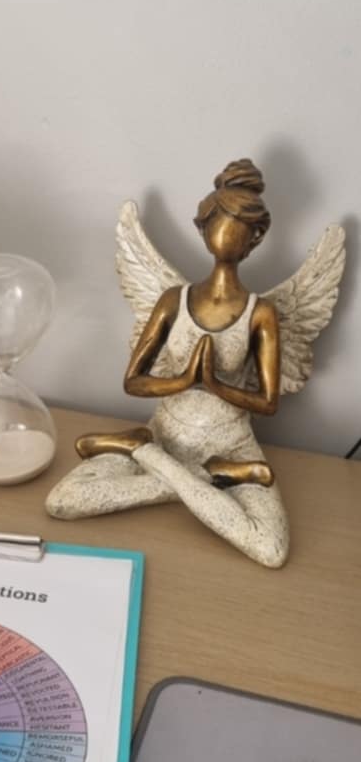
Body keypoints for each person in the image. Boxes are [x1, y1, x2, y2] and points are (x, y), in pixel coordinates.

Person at [46, 160, 290, 568]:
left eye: (240, 224)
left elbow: (267, 402)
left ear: (256, 236)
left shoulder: (260, 313)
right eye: (220, 219)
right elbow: (133, 381)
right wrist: (182, 381)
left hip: (230, 443)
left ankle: (141, 451)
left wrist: (213, 383)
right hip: (166, 435)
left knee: (271, 549)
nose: (228, 231)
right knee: (62, 501)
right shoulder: (173, 300)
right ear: (204, 226)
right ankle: (204, 473)